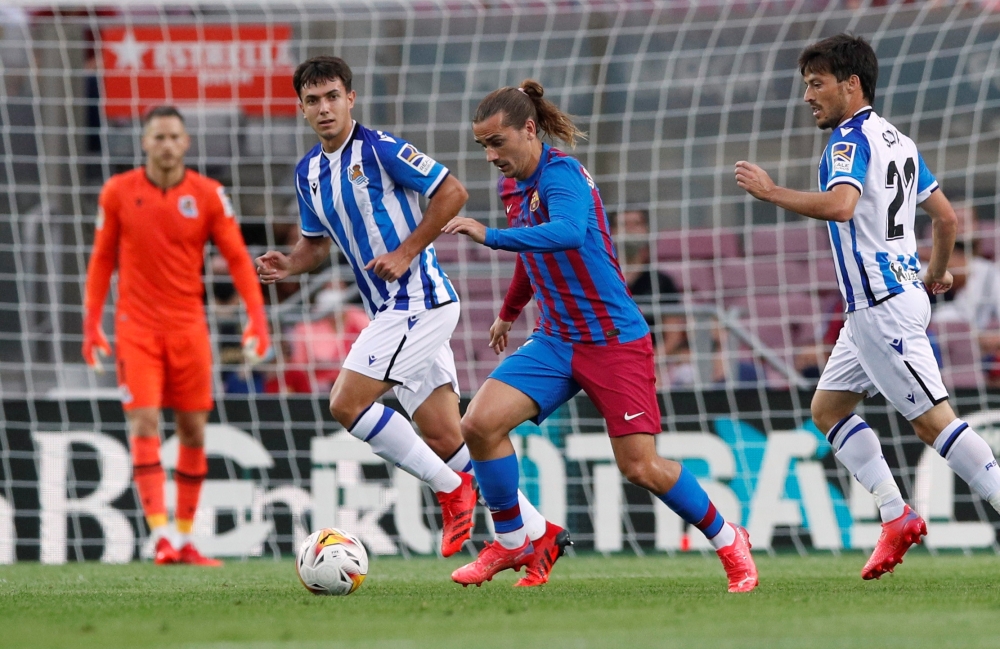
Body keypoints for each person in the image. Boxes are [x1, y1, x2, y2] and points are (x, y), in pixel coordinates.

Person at [443, 80, 758, 593]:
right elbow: (534, 250)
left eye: (497, 142)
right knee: (478, 424)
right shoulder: (512, 186)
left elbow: (567, 232)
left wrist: (491, 236)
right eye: (483, 145)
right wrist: (509, 312)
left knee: (641, 466)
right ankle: (514, 540)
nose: (490, 156)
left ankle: (729, 538)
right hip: (556, 339)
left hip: (612, 339)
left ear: (529, 130)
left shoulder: (562, 174)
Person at [255, 56, 548, 561]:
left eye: (332, 97)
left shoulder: (380, 148)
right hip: (392, 310)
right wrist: (290, 264)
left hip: (419, 301)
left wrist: (406, 252)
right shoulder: (308, 173)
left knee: (346, 404)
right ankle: (539, 533)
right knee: (446, 436)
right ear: (301, 108)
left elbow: (453, 192)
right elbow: (316, 244)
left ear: (350, 99)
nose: (324, 108)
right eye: (313, 100)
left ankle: (450, 489)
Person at [735, 34, 1000, 579]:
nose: (808, 96)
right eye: (806, 85)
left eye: (817, 84)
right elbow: (945, 218)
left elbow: (841, 205)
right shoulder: (899, 141)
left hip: (882, 306)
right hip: (886, 302)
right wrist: (935, 272)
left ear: (851, 84)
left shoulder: (848, 141)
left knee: (934, 424)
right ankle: (895, 515)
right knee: (827, 410)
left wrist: (771, 192)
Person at [82, 105, 272, 566]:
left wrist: (257, 318)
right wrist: (91, 324)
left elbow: (237, 257)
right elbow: (102, 259)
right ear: (145, 142)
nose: (166, 145)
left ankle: (185, 539)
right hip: (136, 329)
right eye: (158, 137)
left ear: (186, 143)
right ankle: (161, 536)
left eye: (173, 137)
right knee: (144, 423)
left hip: (189, 327)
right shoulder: (118, 192)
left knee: (192, 430)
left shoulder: (207, 195)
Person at [612, 209, 693, 386]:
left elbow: (673, 335)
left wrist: (649, 359)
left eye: (636, 224)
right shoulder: (602, 280)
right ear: (612, 231)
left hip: (655, 361)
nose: (630, 230)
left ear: (646, 230)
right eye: (624, 224)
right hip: (612, 359)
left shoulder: (661, 281)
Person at [927, 203, 1000, 386]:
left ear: (976, 226)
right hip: (927, 338)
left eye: (965, 221)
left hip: (973, 344)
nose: (958, 226)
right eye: (955, 220)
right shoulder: (921, 265)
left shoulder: (989, 271)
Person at [284, 283, 369, 393]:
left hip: (360, 381)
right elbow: (298, 366)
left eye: (337, 286)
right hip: (320, 387)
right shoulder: (306, 326)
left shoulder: (359, 317)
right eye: (328, 287)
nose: (331, 292)